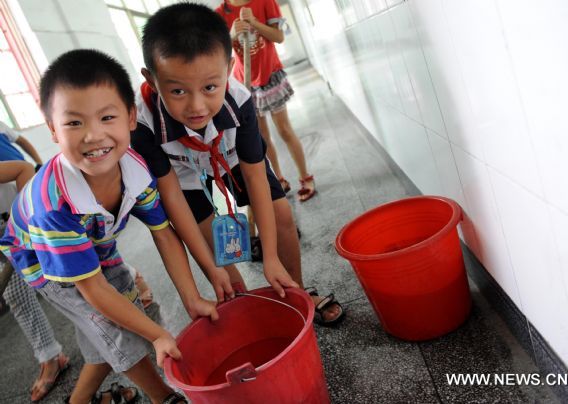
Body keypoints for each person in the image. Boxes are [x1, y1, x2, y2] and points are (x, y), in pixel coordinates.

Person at [0, 49, 221, 404]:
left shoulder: (133, 165)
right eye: (74, 123)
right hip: (43, 260)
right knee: (117, 326)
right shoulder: (52, 205)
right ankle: (164, 396)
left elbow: (163, 232)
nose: (93, 135)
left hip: (97, 244)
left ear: (131, 117)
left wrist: (191, 298)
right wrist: (158, 336)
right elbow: (92, 289)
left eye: (107, 117)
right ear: (53, 130)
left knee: (107, 324)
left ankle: (79, 399)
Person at [131, 3, 344, 326]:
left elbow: (256, 176)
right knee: (210, 246)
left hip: (230, 158)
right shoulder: (142, 122)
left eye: (209, 87)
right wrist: (213, 269)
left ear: (229, 68)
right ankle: (242, 303)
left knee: (280, 214)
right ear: (151, 78)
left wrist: (270, 258)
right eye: (177, 91)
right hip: (183, 173)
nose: (196, 105)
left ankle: (296, 293)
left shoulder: (240, 99)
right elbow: (173, 198)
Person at [216, 0, 316, 202]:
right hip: (245, 83)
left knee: (284, 130)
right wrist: (231, 35)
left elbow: (279, 37)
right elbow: (217, 52)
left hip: (270, 76)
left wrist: (254, 22)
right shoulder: (220, 13)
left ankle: (306, 177)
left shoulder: (265, 1)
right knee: (261, 136)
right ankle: (279, 180)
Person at [0, 161, 70, 402]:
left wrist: (23, 219)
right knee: (17, 295)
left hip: (17, 222)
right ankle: (51, 356)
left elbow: (22, 168)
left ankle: (131, 286)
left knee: (66, 273)